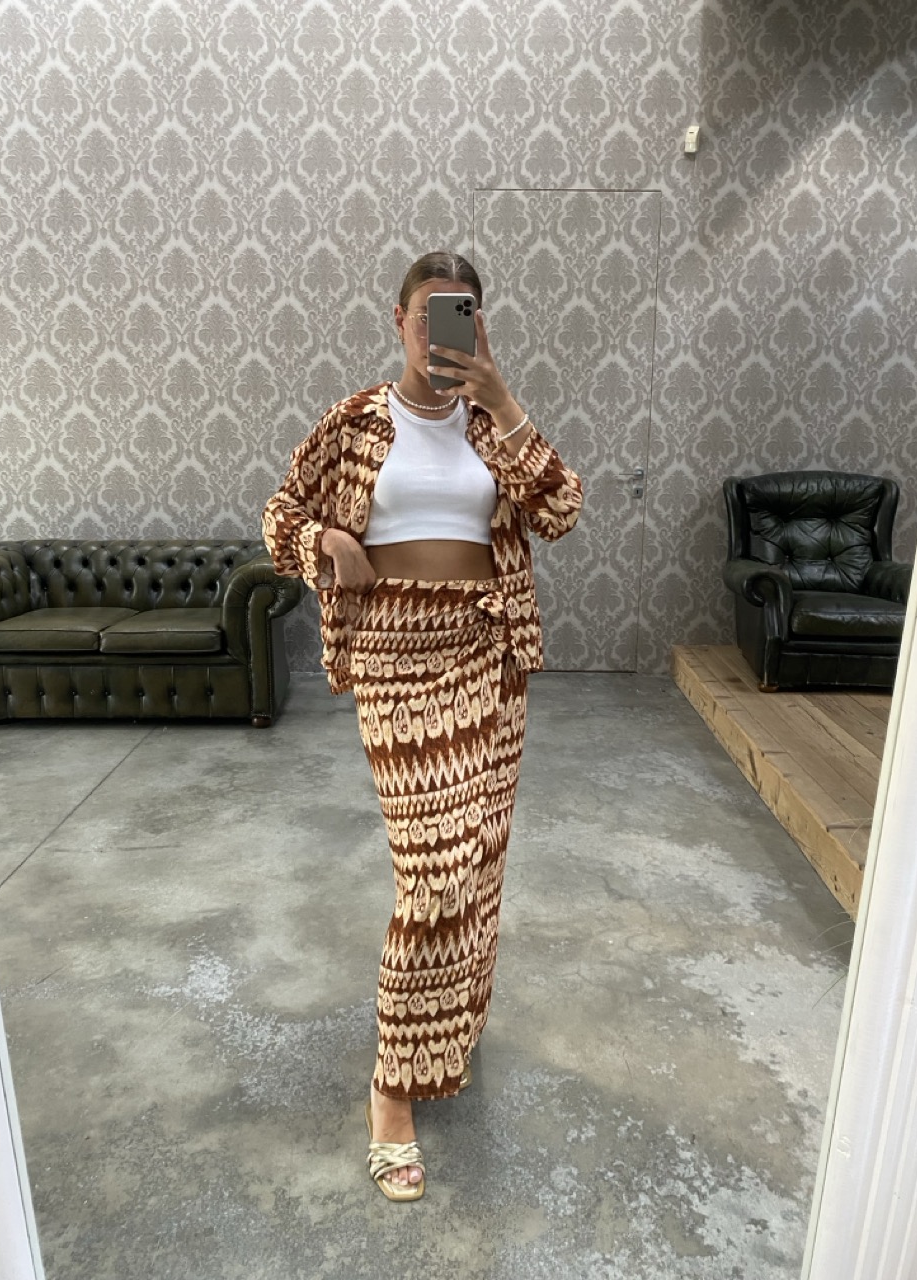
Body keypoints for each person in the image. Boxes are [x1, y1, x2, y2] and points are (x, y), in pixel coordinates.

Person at [262, 251, 582, 1202]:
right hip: (394, 664)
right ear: (398, 319)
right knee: (433, 870)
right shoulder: (356, 421)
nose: (442, 332)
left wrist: (504, 396)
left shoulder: (492, 422)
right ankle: (393, 1088)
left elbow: (561, 509)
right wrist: (326, 541)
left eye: (463, 316)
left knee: (477, 870)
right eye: (428, 315)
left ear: (477, 325)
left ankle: (452, 1031)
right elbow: (280, 514)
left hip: (488, 656)